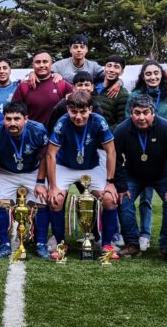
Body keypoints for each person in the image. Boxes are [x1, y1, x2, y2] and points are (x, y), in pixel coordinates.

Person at [45, 90, 118, 257]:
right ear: (68, 109)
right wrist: (53, 186)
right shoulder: (62, 123)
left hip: (91, 167)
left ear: (90, 109)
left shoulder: (99, 121)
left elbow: (111, 151)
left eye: (83, 111)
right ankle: (61, 244)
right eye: (73, 111)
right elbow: (50, 154)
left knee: (110, 199)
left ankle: (107, 245)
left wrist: (110, 182)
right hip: (65, 166)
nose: (78, 116)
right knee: (55, 200)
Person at [0, 102, 50, 258]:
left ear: (26, 119)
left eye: (17, 118)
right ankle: (4, 244)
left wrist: (40, 182)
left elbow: (45, 156)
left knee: (41, 203)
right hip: (6, 172)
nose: (12, 123)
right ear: (3, 119)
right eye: (8, 119)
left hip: (33, 170)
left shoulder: (38, 130)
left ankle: (41, 243)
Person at [113, 94, 167, 256]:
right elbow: (115, 159)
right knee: (123, 201)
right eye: (137, 113)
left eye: (146, 112)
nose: (141, 117)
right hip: (133, 175)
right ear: (131, 113)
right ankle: (132, 243)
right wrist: (122, 186)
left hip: (162, 175)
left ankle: (165, 244)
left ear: (153, 113)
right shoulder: (122, 130)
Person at [12, 50, 73, 127]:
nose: (41, 65)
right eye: (38, 62)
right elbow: (13, 111)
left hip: (56, 136)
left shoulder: (61, 84)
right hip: (32, 135)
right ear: (33, 65)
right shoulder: (24, 86)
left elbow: (79, 101)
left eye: (45, 62)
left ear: (51, 64)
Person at [126, 59, 167, 132]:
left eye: (156, 73)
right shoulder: (134, 96)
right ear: (143, 77)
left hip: (165, 140)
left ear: (161, 75)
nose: (153, 77)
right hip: (141, 140)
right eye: (148, 74)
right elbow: (128, 120)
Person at [95, 55, 129, 128]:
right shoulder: (92, 86)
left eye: (116, 67)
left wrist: (105, 134)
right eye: (109, 66)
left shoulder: (123, 94)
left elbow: (122, 123)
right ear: (104, 68)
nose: (111, 70)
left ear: (121, 72)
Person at [0, 57, 20, 126]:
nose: (2, 71)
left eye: (5, 68)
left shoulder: (19, 87)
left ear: (10, 70)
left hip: (14, 131)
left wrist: (32, 73)